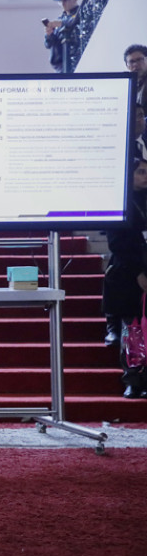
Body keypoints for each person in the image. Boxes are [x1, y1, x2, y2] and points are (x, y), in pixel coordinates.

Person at [102, 159, 147, 398]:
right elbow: (117, 243)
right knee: (133, 330)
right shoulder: (119, 200)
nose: (145, 176)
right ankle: (133, 379)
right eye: (141, 172)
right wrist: (138, 272)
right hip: (128, 273)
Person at [43, 0, 111, 74]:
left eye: (65, 0)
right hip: (59, 66)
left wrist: (61, 24)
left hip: (72, 62)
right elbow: (48, 44)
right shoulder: (60, 19)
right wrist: (49, 34)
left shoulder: (82, 15)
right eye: (61, 1)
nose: (63, 3)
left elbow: (75, 23)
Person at [124, 44, 147, 110]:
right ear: (127, 66)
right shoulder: (128, 86)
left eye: (139, 60)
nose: (135, 64)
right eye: (131, 61)